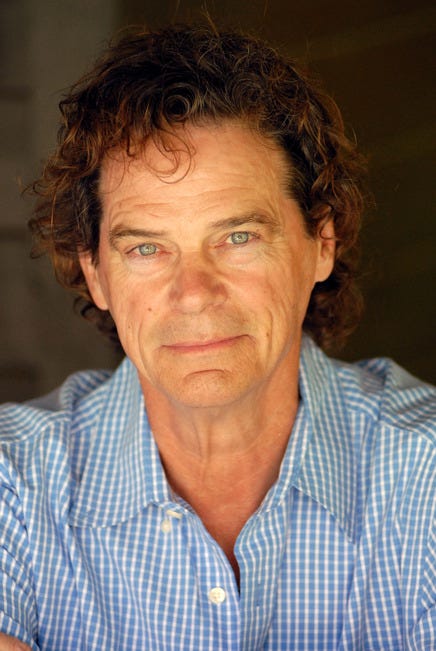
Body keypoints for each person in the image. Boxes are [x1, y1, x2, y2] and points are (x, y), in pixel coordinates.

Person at [0, 23, 434, 651]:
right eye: (146, 248)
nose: (194, 292)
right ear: (95, 273)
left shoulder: (425, 472)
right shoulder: (13, 481)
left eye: (237, 237)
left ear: (322, 242)